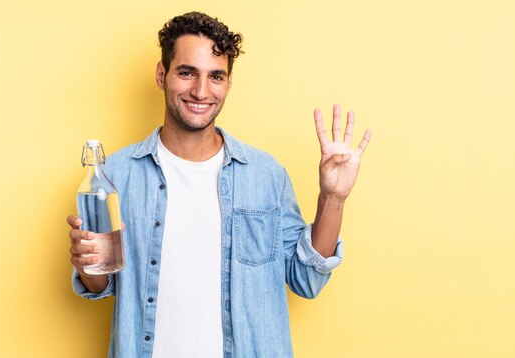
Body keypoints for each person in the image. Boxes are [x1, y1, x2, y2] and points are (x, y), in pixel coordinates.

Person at [67, 11, 371, 358]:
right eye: (186, 73)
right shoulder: (116, 175)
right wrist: (87, 263)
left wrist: (333, 198)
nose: (200, 91)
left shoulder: (265, 174)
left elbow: (306, 280)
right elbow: (103, 284)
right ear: (161, 74)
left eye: (216, 77)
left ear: (228, 84)